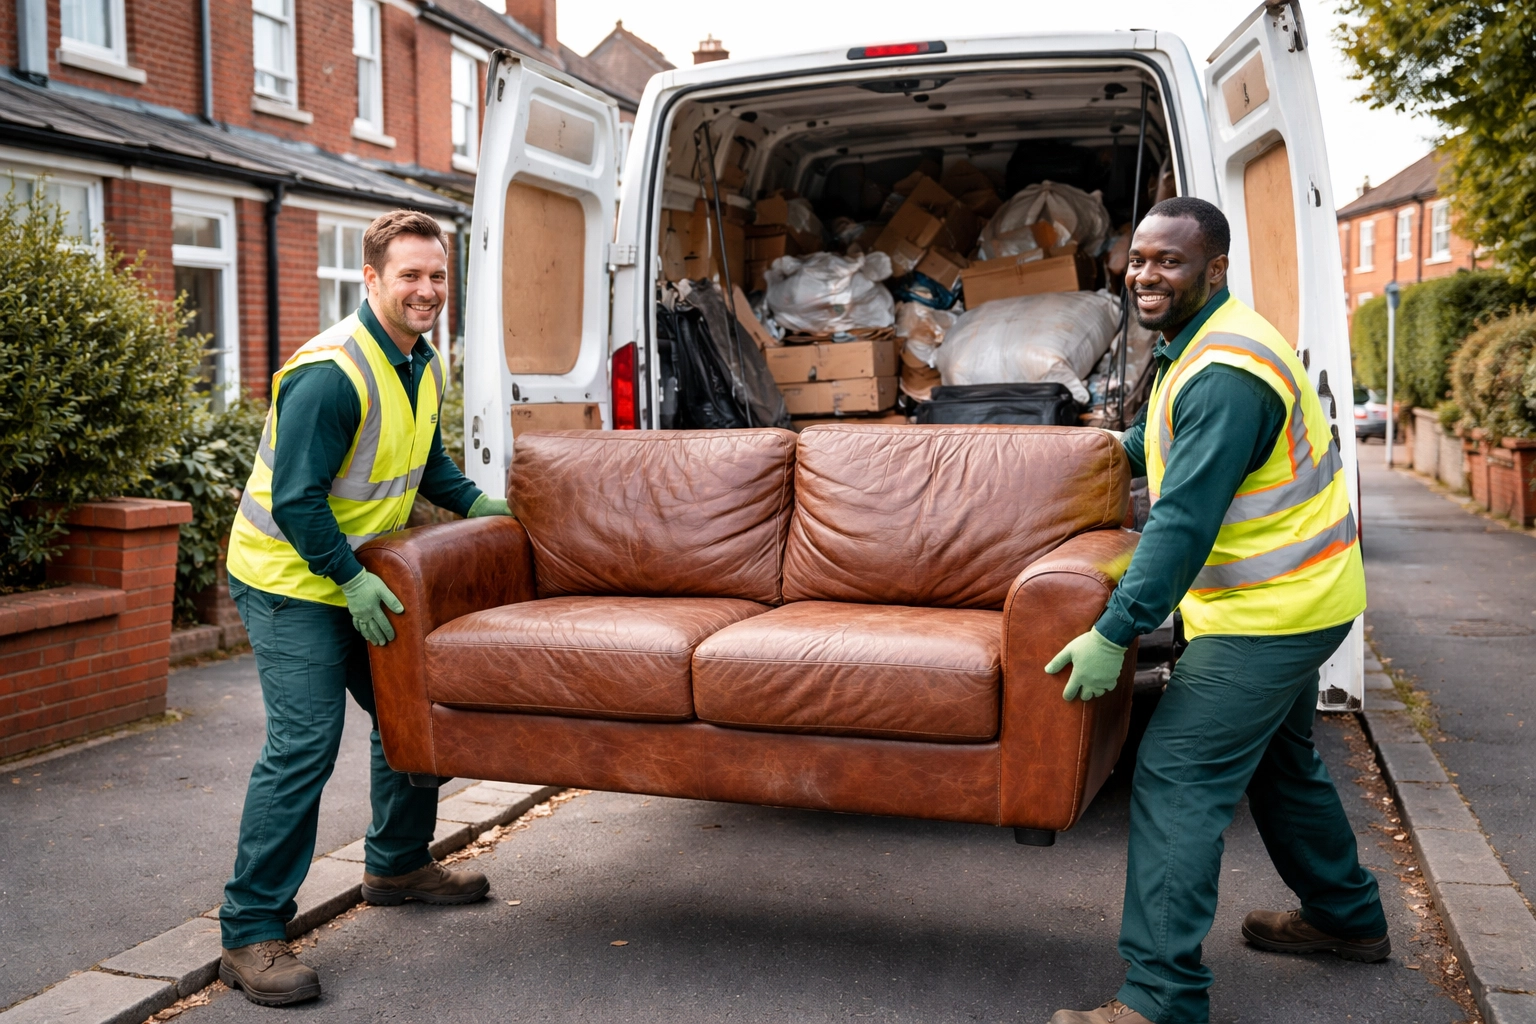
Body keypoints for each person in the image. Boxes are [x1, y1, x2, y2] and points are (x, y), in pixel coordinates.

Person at [1044, 197, 1385, 1024]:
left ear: (1216, 268)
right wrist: (1064, 456)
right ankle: (1347, 919)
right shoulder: (1193, 346)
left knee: (1177, 774)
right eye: (1139, 259)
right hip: (1295, 600)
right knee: (1281, 764)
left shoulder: (1227, 373)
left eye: (1170, 260)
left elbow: (1183, 521)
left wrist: (1114, 630)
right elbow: (1154, 447)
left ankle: (1161, 998)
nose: (1147, 274)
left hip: (1273, 614)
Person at [218, 210, 514, 1006]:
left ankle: (397, 864)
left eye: (437, 275)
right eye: (410, 275)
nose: (427, 289)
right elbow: (296, 499)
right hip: (289, 580)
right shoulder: (331, 373)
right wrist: (347, 581)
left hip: (359, 575)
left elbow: (425, 465)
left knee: (410, 713)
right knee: (304, 745)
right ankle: (249, 932)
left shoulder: (422, 363)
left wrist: (487, 506)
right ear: (372, 278)